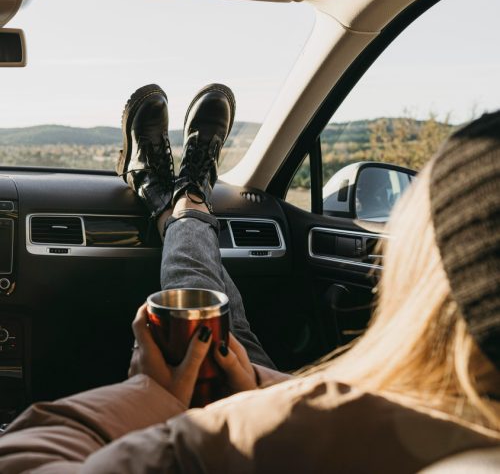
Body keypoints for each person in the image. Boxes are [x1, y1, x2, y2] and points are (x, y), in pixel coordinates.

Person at [0, 85, 499, 474]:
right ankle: (185, 199)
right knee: (222, 332)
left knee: (198, 307)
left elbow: (18, 460)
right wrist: (264, 382)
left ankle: (175, 201)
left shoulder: (273, 435)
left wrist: (157, 393)